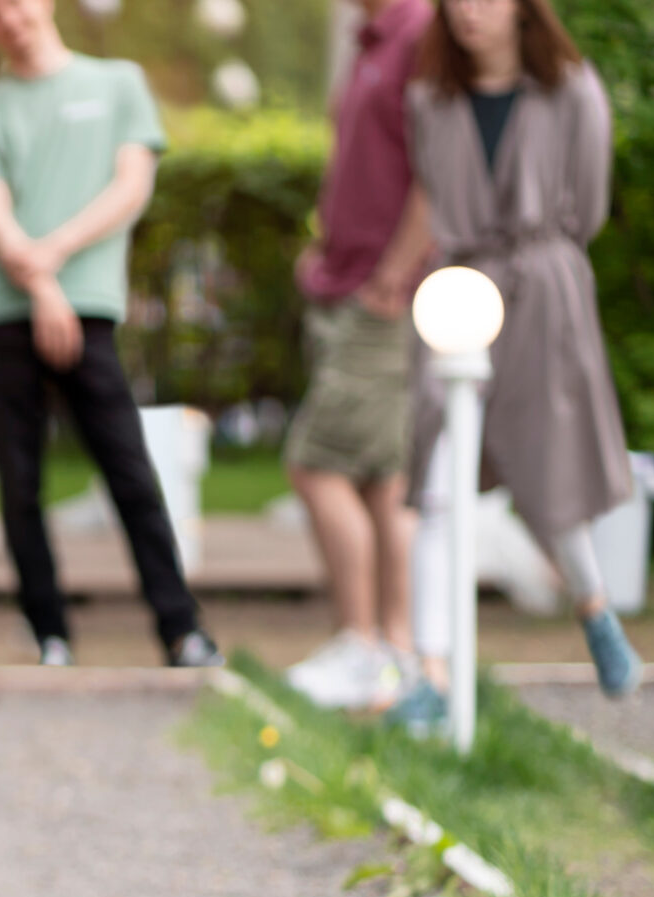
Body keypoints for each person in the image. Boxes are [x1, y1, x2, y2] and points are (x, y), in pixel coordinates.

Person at [0, 0, 223, 670]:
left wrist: (57, 260)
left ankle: (181, 628)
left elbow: (131, 187)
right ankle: (49, 632)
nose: (7, 19)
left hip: (90, 311)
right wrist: (42, 289)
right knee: (21, 484)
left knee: (130, 473)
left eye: (13, 3)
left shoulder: (117, 83)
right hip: (6, 315)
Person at [391, 0, 640, 730]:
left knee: (550, 462)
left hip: (544, 288)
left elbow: (586, 205)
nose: (471, 13)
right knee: (436, 475)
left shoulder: (571, 90)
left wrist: (543, 263)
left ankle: (593, 606)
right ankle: (431, 672)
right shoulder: (428, 100)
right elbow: (434, 195)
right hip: (459, 290)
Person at [282, 0, 433, 711]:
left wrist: (391, 278)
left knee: (314, 466)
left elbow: (438, 169)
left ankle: (362, 641)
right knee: (380, 479)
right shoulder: (369, 35)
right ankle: (393, 650)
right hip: (347, 285)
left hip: (385, 295)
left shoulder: (420, 31)